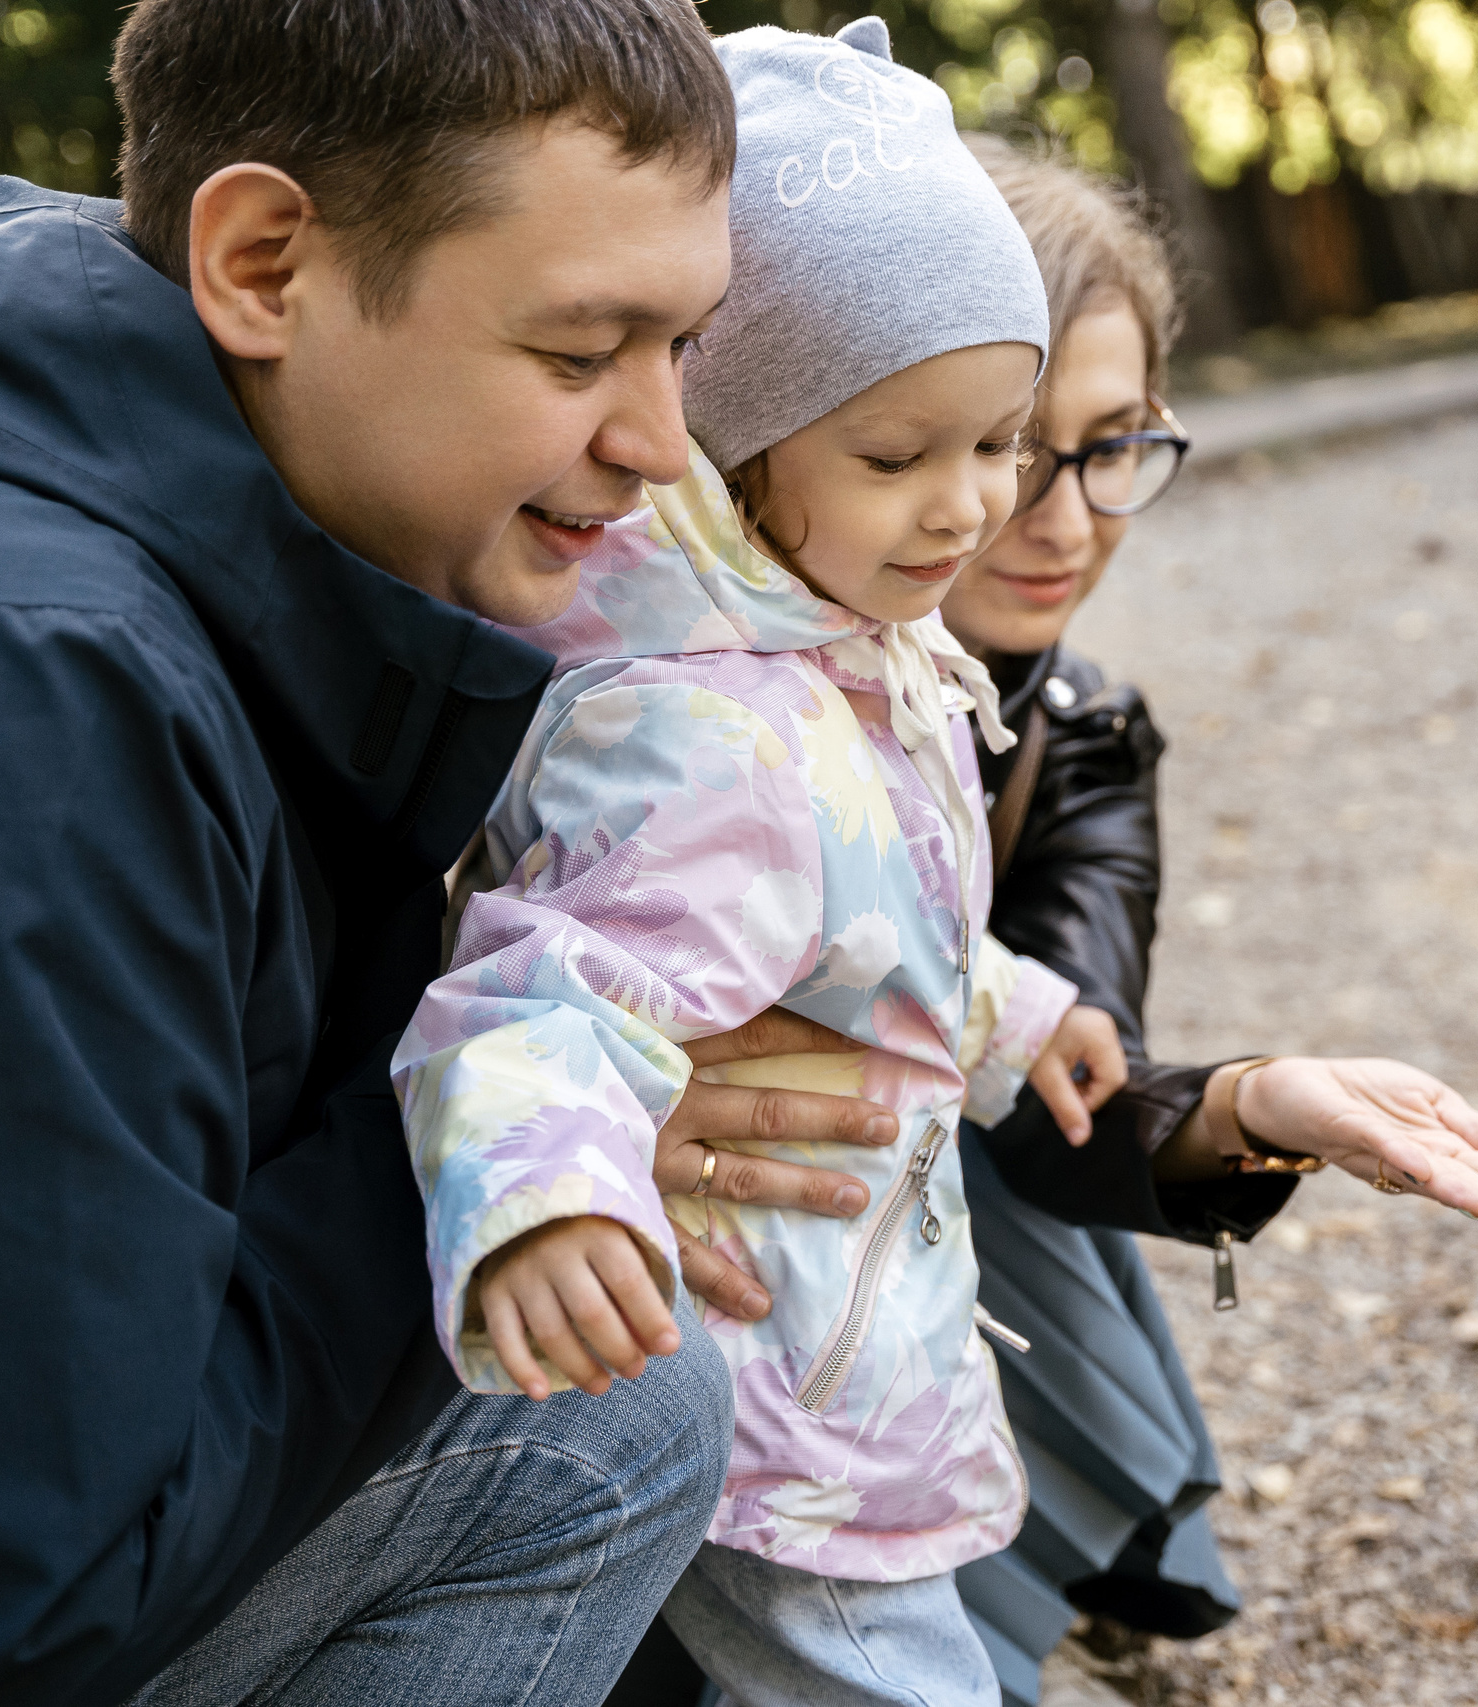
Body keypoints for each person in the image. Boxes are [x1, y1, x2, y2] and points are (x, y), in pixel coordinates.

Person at [0, 0, 907, 1698]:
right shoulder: (8, 710)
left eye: (686, 349)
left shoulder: (39, 455)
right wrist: (469, 1150)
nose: (662, 444)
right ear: (264, 262)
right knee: (608, 1407)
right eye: (583, 351)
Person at [395, 25, 1128, 1707]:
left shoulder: (852, 656)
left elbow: (868, 920)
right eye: (897, 457)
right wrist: (548, 1203)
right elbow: (553, 992)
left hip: (841, 1352)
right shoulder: (708, 734)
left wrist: (1011, 1016)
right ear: (737, 452)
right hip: (762, 1378)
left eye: (998, 442)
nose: (970, 509)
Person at [939, 137, 1478, 1695]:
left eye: (1116, 446)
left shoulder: (1078, 730)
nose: (1068, 519)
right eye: (1015, 447)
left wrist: (1251, 1107)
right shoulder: (678, 691)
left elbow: (1057, 1111)